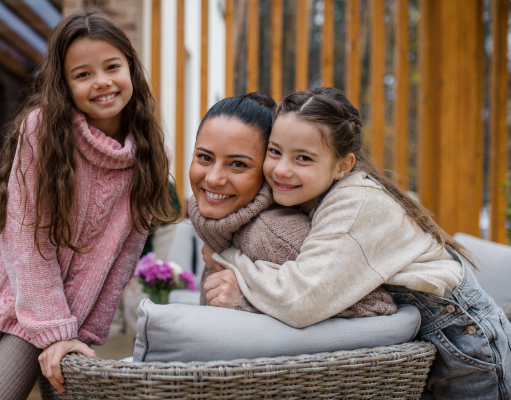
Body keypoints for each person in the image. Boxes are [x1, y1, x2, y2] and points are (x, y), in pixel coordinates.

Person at [204, 87, 511, 399]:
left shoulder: (355, 203)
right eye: (274, 151)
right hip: (427, 339)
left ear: (342, 166)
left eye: (303, 158)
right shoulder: (311, 194)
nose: (282, 169)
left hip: (464, 339)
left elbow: (299, 299)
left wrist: (228, 256)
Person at [0, 8, 178, 400]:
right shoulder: (42, 130)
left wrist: (81, 334)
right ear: (64, 84)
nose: (102, 82)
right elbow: (26, 236)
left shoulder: (151, 155)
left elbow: (123, 259)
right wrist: (59, 330)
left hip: (59, 318)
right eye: (82, 74)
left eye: (112, 66)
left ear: (131, 67)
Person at [188, 92, 396, 318]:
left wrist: (243, 296)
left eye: (238, 164)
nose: (213, 179)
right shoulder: (226, 226)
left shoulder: (273, 233)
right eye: (205, 158)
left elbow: (376, 306)